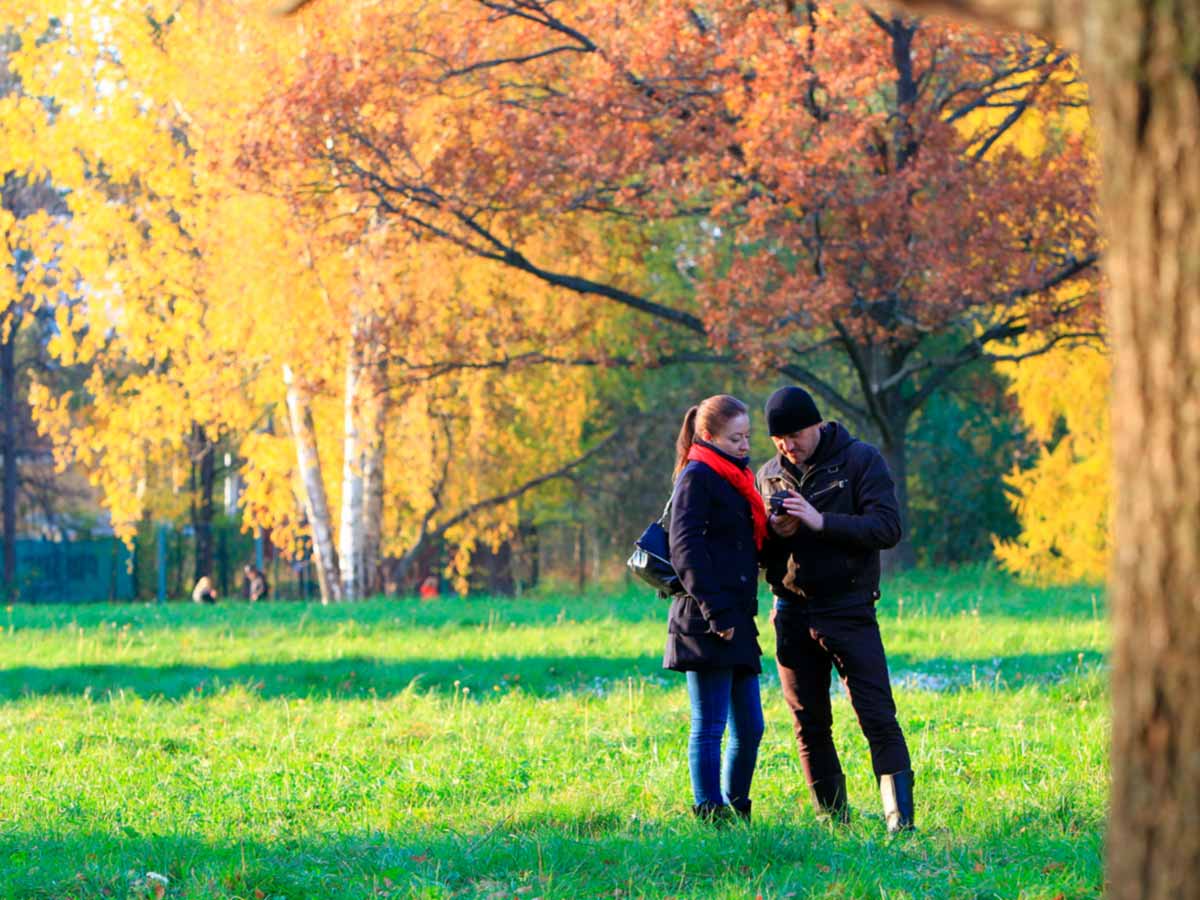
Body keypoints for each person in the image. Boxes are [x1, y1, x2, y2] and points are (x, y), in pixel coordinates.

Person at [756, 385, 914, 834]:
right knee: (808, 723)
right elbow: (760, 551)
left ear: (818, 424)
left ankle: (899, 824)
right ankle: (834, 823)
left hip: (849, 607)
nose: (789, 445)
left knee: (877, 715)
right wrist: (776, 531)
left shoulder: (861, 460)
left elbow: (887, 527)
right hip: (790, 611)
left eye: (796, 434)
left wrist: (820, 521)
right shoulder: (767, 475)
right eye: (779, 438)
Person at [665, 394, 767, 823]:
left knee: (751, 727)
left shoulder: (735, 478)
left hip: (738, 616)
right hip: (705, 619)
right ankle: (710, 812)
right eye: (735, 438)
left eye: (747, 436)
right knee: (709, 725)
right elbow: (684, 548)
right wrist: (717, 613)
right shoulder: (698, 476)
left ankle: (736, 807)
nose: (745, 445)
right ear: (708, 436)